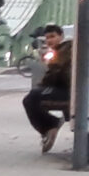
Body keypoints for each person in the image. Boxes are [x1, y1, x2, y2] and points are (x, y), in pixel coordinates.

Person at [23, 24, 70, 152]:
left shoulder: (65, 50)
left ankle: (51, 125)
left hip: (67, 91)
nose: (49, 40)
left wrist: (42, 86)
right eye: (47, 38)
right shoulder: (63, 49)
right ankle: (50, 127)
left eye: (53, 37)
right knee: (33, 96)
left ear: (61, 36)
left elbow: (54, 73)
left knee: (31, 99)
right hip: (70, 89)